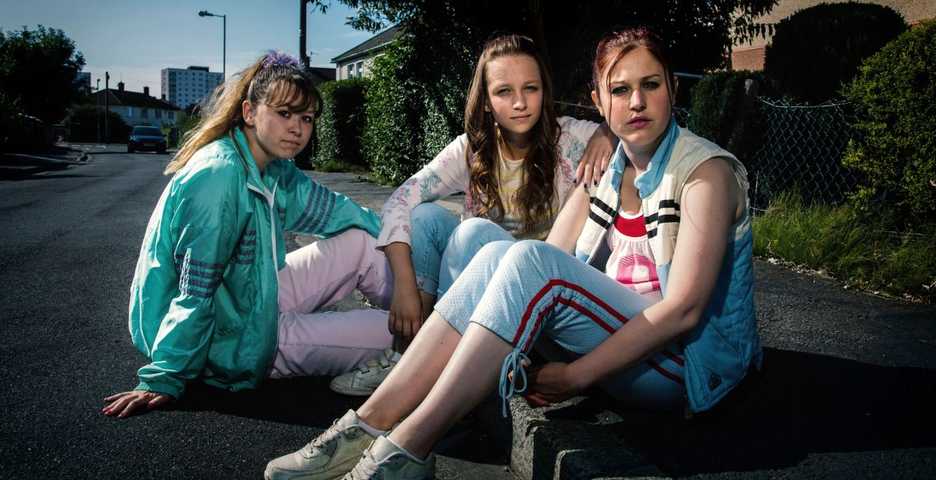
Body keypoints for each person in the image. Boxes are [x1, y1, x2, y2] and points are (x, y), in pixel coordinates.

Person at [265, 26, 762, 480]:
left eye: (650, 85)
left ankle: (408, 448)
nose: (636, 101)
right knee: (493, 255)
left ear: (673, 88)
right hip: (620, 350)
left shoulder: (705, 173)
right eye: (619, 90)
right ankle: (367, 425)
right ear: (599, 101)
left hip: (682, 368)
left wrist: (575, 376)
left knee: (524, 258)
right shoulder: (609, 170)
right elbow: (552, 253)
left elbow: (685, 311)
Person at [102, 51, 396, 418]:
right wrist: (166, 376)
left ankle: (434, 317)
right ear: (249, 112)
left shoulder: (272, 167)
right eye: (284, 113)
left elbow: (335, 210)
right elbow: (195, 291)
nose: (297, 128)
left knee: (363, 241)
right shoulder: (219, 175)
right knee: (395, 334)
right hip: (231, 339)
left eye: (306, 118)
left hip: (253, 298)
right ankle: (436, 343)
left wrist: (398, 244)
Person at [329, 33, 617, 397]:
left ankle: (429, 368)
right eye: (503, 92)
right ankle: (410, 354)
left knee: (473, 233)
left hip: (541, 294)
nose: (520, 103)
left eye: (530, 88)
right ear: (486, 101)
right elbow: (402, 198)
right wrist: (404, 285)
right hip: (481, 295)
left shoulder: (572, 138)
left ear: (544, 91)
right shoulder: (473, 149)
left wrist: (607, 131)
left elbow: (639, 128)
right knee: (427, 218)